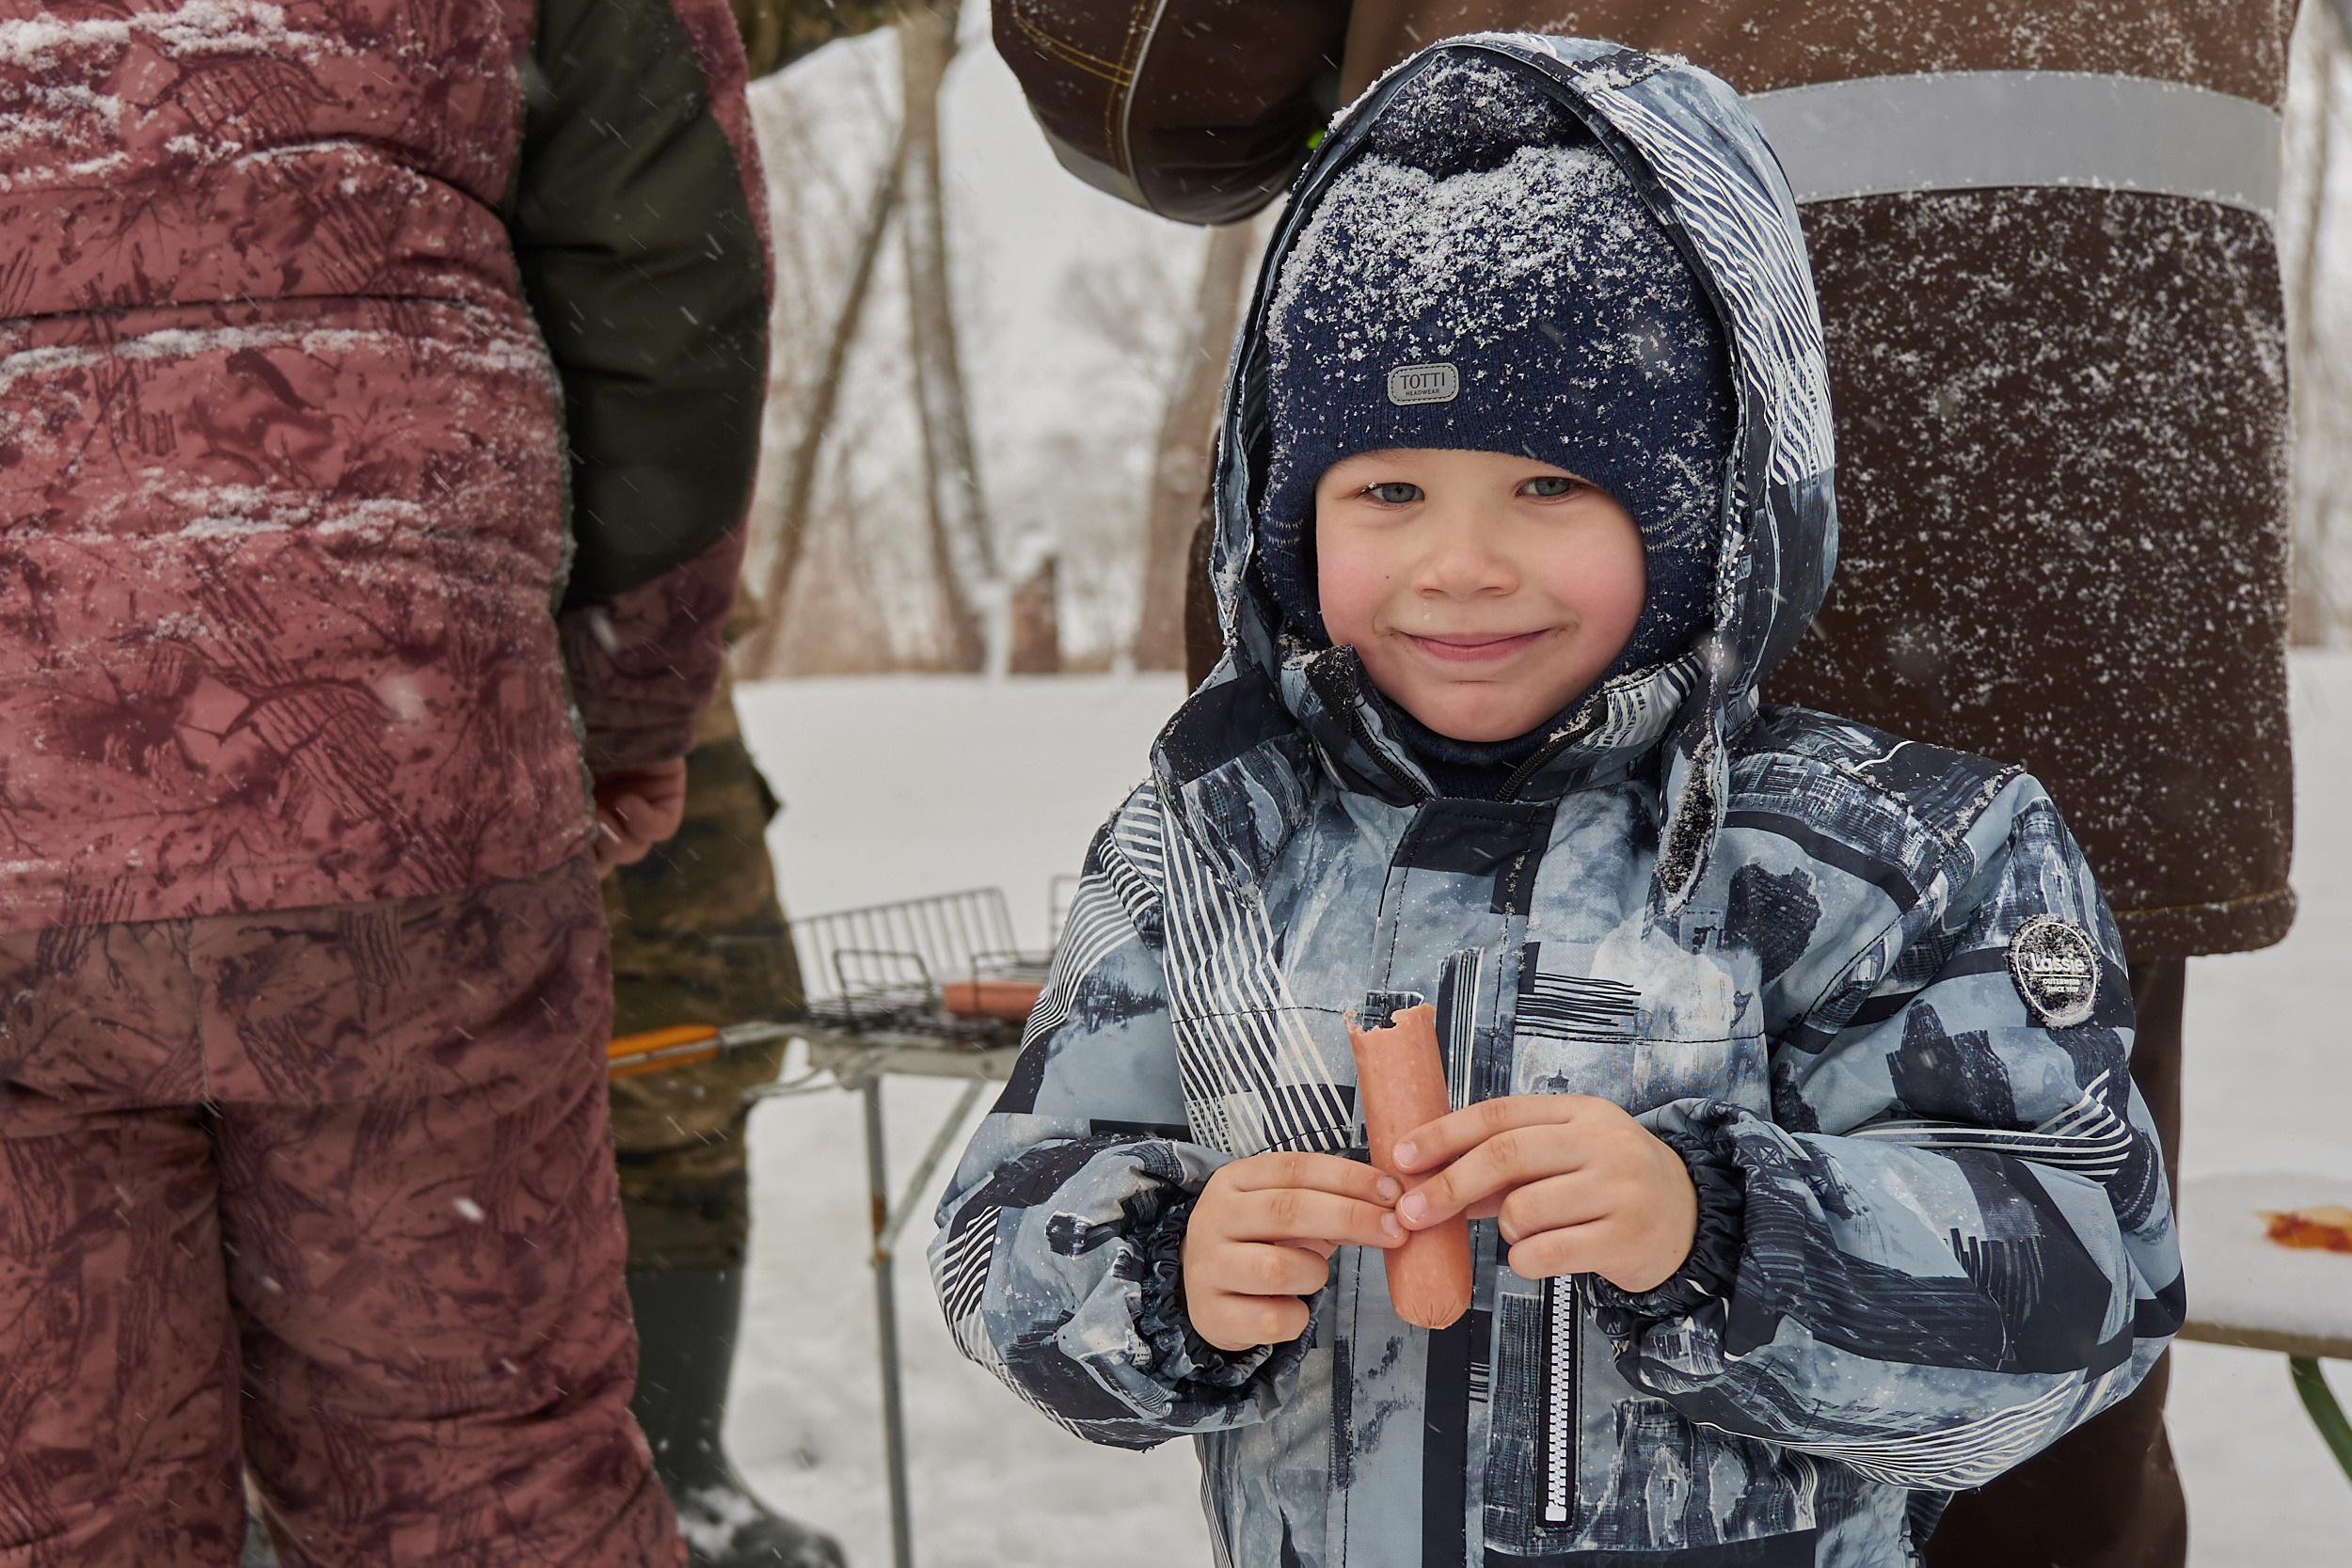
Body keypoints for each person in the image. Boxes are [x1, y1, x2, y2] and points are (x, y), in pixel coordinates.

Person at [1001, 7, 2296, 1560]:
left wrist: (1723, 1235)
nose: (1460, 564)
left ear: (1703, 512)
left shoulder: (1882, 865)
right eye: (1389, 489)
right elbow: (1007, 1220)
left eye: (1552, 485)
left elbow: (2082, 1282)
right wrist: (1156, 1276)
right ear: (1288, 517)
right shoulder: (1220, 838)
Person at [0, 1, 770, 1562]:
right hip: (407, 803)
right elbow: (667, 288)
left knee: (51, 1500)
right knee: (479, 1476)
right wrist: (631, 698)